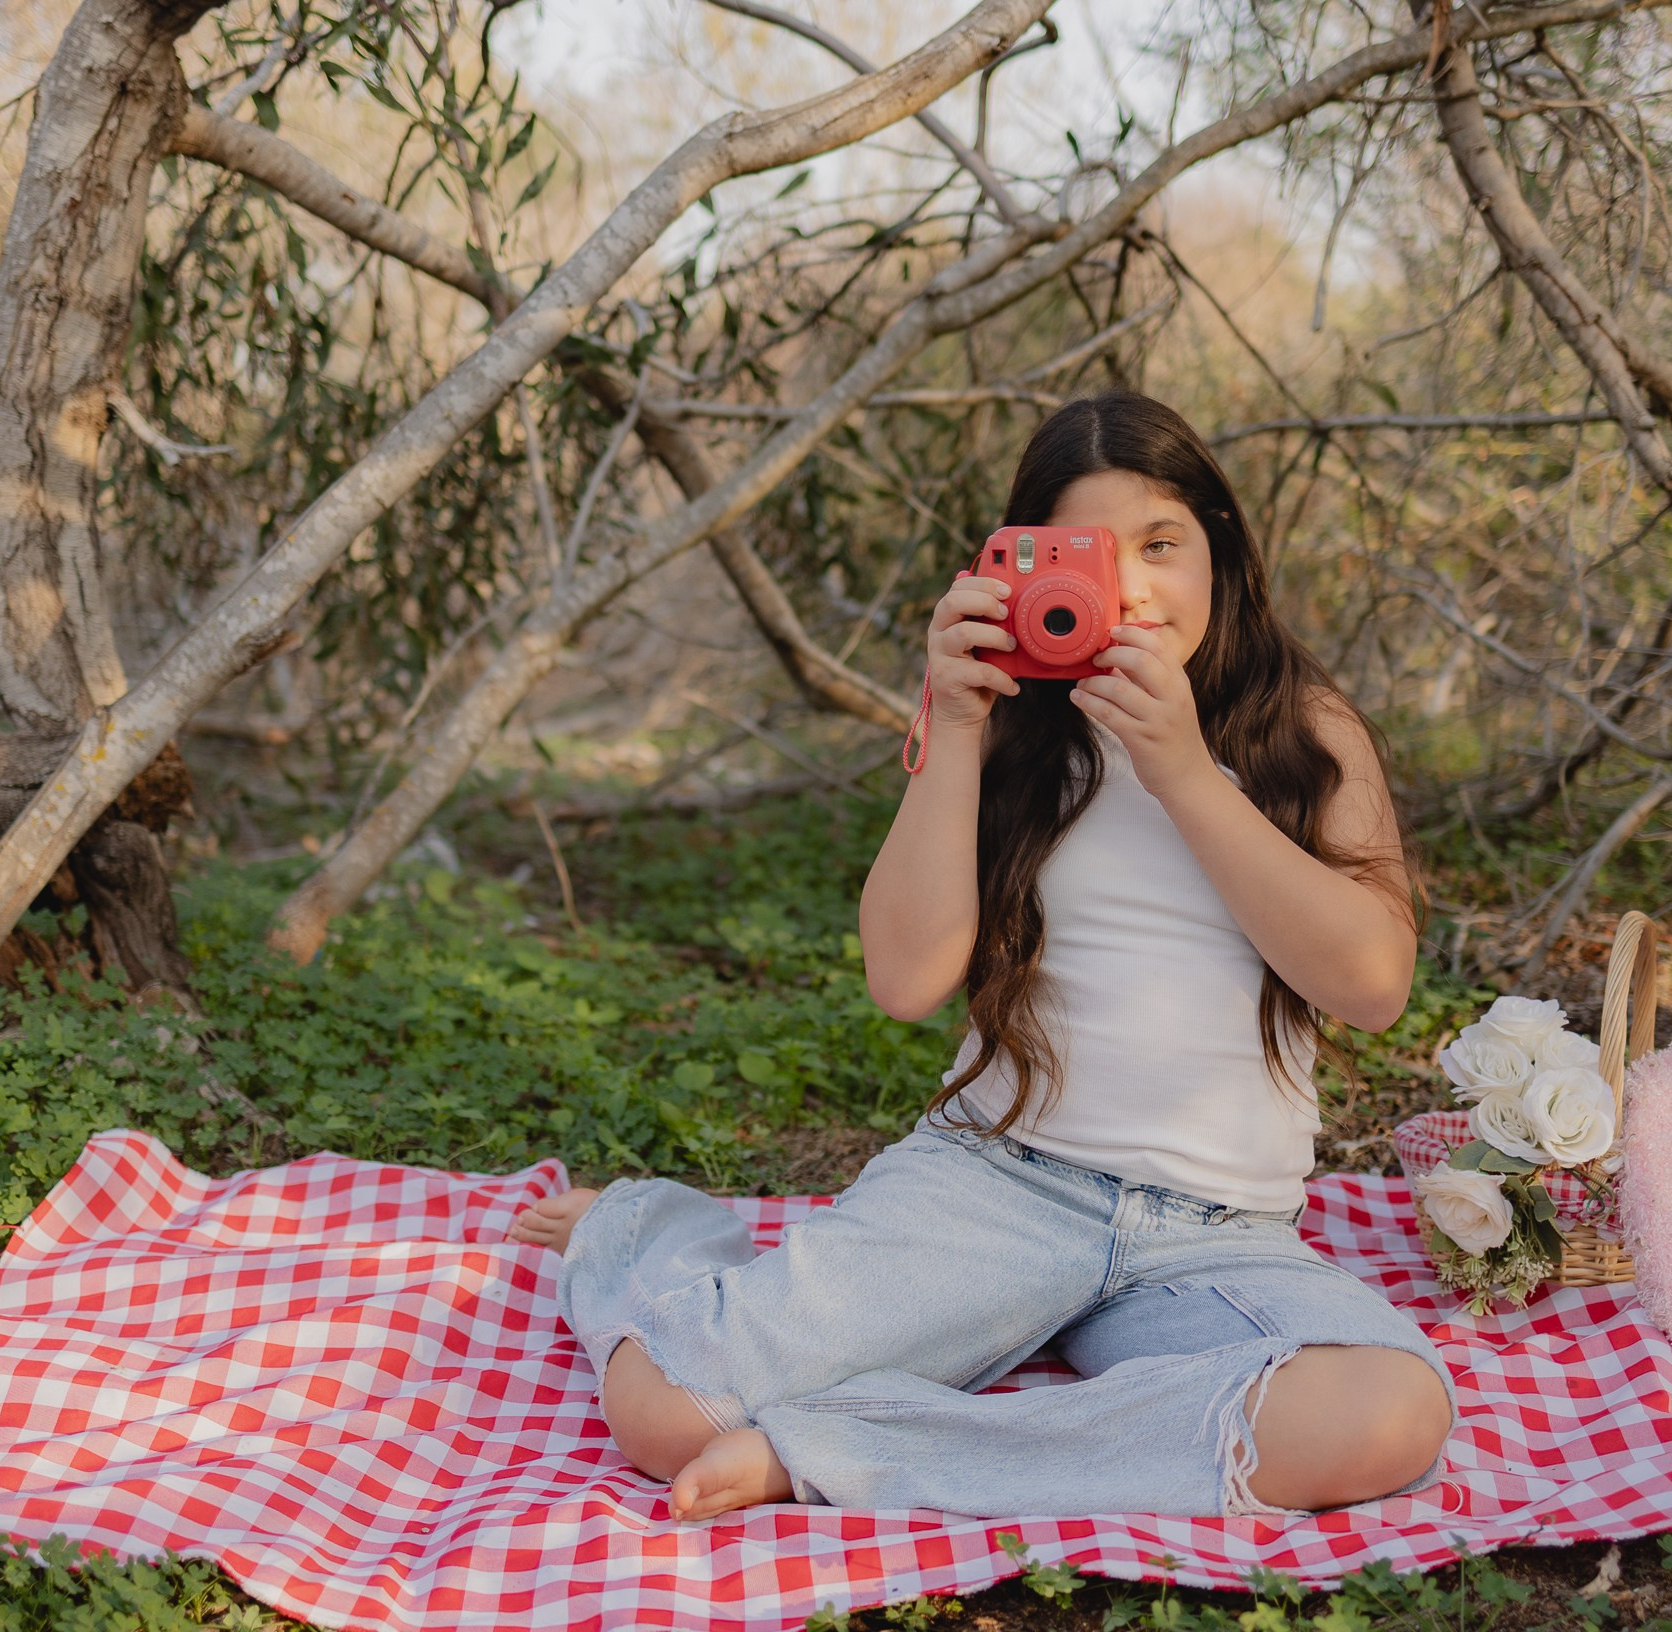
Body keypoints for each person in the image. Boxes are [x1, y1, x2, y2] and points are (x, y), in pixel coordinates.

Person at [511, 391, 1453, 1521]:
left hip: (1218, 1238)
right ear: (1021, 570)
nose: (1134, 589)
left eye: (1162, 546)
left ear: (1224, 551)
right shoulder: (1008, 727)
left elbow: (1372, 987)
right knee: (662, 1413)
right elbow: (907, 984)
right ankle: (650, 1228)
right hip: (1000, 1190)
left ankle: (835, 1447)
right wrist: (950, 727)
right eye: (1086, 557)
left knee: (1387, 1412)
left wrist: (1185, 771)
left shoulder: (1303, 731)